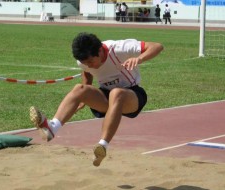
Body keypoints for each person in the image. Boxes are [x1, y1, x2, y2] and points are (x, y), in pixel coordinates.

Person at [30, 32, 163, 167]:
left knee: (116, 93)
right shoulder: (83, 62)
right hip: (105, 96)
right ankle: (52, 127)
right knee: (79, 89)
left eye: (90, 61)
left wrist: (139, 59)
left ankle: (102, 146)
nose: (89, 65)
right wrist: (83, 96)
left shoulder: (120, 48)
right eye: (84, 63)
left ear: (99, 51)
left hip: (132, 95)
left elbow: (157, 46)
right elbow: (87, 74)